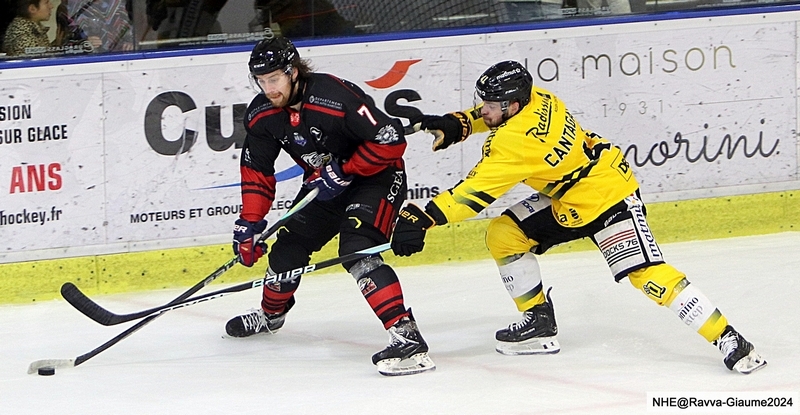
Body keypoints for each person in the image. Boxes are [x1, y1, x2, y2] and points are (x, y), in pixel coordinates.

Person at [391, 60, 767, 374]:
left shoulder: (515, 143)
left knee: (646, 275)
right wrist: (456, 123)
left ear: (513, 105)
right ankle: (539, 323)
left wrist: (423, 217)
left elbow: (471, 195)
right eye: (482, 103)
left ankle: (729, 338)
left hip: (608, 197)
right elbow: (490, 118)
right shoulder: (541, 97)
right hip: (570, 196)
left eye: (490, 105)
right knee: (504, 235)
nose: (483, 109)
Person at [224, 35, 435, 376]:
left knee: (358, 250)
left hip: (376, 179)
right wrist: (249, 223)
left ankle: (407, 338)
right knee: (287, 250)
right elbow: (256, 172)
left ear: (293, 72)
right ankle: (271, 316)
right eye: (261, 81)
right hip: (325, 186)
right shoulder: (263, 115)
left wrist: (347, 168)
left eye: (274, 79)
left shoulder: (333, 96)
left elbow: (391, 141)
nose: (268, 89)